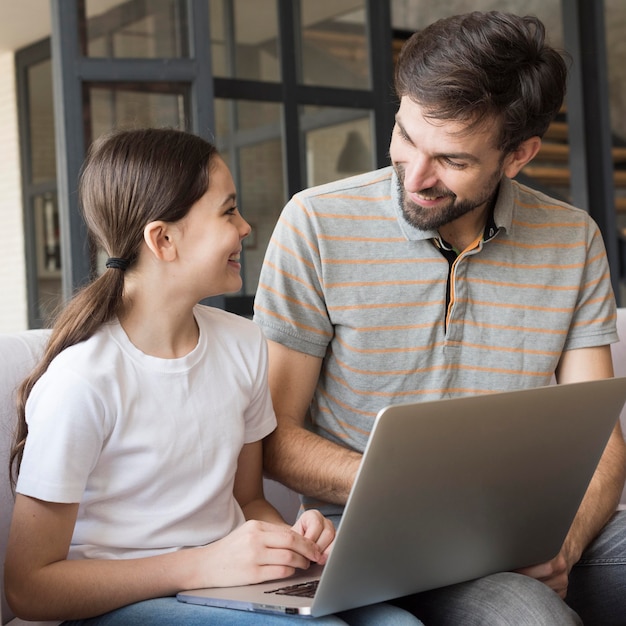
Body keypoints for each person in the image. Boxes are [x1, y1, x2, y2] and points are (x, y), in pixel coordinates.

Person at [253, 11, 626, 626]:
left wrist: (569, 540)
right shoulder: (316, 225)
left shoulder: (572, 239)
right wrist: (427, 495)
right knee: (529, 619)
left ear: (519, 155)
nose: (415, 175)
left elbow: (602, 438)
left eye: (451, 160)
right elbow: (275, 438)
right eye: (405, 136)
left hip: (531, 521)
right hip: (382, 534)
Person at [4, 128, 422, 626]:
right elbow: (28, 587)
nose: (246, 228)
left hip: (224, 584)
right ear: (163, 239)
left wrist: (291, 538)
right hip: (119, 603)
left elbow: (247, 500)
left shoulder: (243, 345)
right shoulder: (83, 382)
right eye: (228, 211)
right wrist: (200, 565)